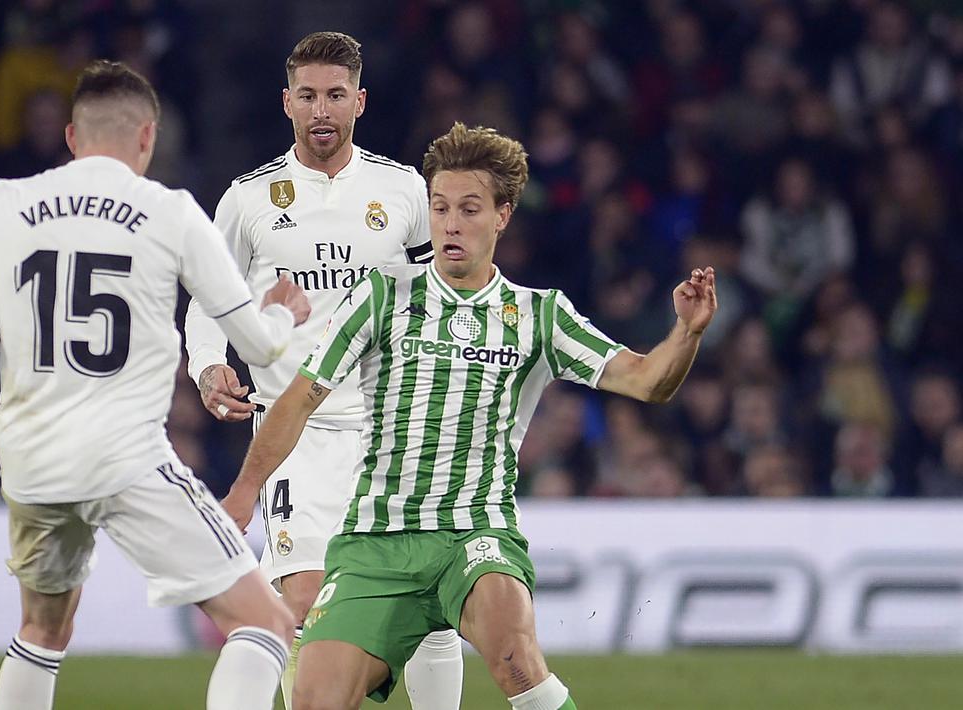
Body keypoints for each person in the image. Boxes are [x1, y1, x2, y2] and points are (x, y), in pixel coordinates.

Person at [227, 123, 718, 710]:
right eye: (439, 208)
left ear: (502, 216)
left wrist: (686, 334)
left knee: (516, 659)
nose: (451, 224)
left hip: (476, 534)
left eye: (468, 209)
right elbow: (300, 398)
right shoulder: (383, 295)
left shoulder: (538, 315)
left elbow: (646, 380)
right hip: (376, 542)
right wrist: (244, 492)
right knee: (315, 701)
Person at [0, 60, 312, 710]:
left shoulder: (3, 202)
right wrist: (284, 313)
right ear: (147, 137)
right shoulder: (170, 212)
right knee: (265, 623)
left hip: (32, 462)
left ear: (70, 136)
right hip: (126, 458)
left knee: (42, 631)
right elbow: (258, 344)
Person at [183, 31, 463, 710]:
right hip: (294, 434)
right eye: (307, 95)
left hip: (390, 430)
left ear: (359, 101)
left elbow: (439, 295)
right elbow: (206, 300)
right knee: (303, 598)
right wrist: (208, 366)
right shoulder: (248, 199)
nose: (321, 110)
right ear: (287, 102)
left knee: (428, 603)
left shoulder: (403, 190)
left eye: (335, 95)